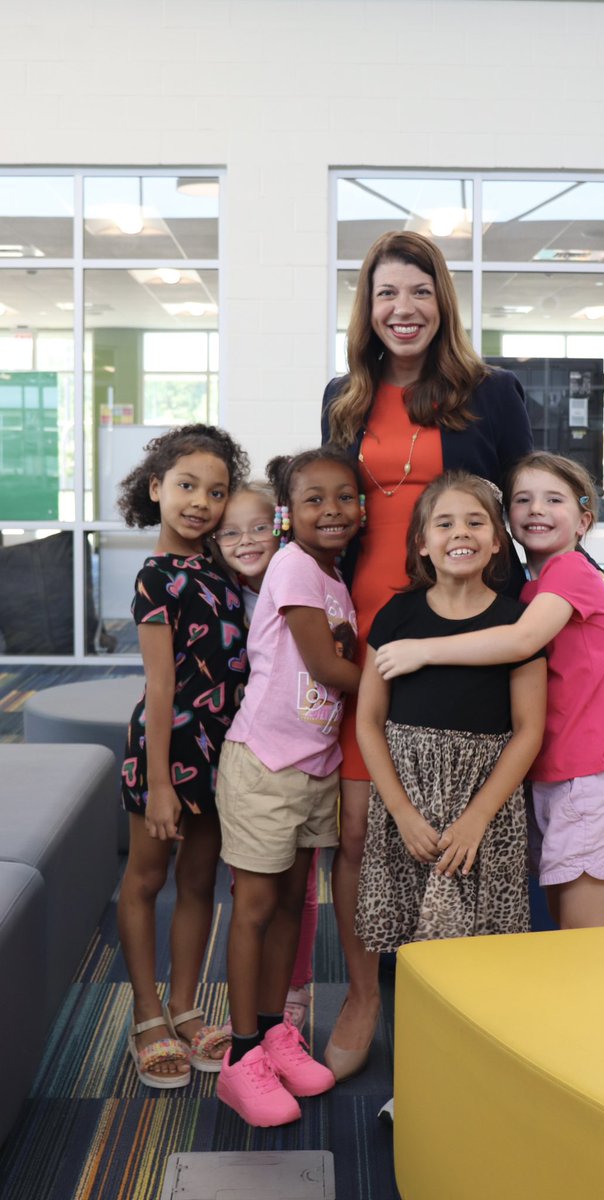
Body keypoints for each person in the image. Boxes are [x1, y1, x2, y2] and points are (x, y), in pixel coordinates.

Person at [321, 229, 532, 1078]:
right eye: (386, 293)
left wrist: (580, 585)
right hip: (365, 629)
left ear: (442, 300)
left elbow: (527, 505)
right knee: (358, 826)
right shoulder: (344, 396)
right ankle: (364, 994)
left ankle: (456, 998)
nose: (402, 309)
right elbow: (325, 509)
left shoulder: (493, 392)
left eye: (418, 291)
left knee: (461, 811)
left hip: (462, 627)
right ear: (367, 308)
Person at [375, 451, 604, 931]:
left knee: (585, 937)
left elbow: (521, 641)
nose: (537, 508)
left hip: (589, 779)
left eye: (554, 499)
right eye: (523, 499)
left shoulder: (570, 573)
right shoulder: (531, 591)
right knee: (564, 927)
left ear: (584, 520)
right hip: (552, 777)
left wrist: (423, 650)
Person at [214, 447, 361, 1128]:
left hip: (315, 769)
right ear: (287, 514)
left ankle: (275, 1032)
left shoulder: (335, 578)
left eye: (345, 497)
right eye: (313, 499)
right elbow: (327, 668)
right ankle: (242, 1056)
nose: (331, 510)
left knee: (289, 911)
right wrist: (413, 680)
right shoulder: (295, 565)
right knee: (255, 908)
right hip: (266, 766)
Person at [356, 471, 546, 946]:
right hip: (409, 801)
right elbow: (368, 721)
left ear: (497, 542)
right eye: (444, 524)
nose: (461, 532)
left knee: (480, 948)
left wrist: (477, 816)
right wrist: (401, 812)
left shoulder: (517, 623)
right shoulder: (396, 616)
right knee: (411, 942)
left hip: (484, 805)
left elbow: (528, 730)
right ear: (422, 544)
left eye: (475, 522)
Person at [117, 423, 250, 1088]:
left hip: (222, 748)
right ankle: (146, 1014)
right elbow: (161, 686)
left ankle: (186, 1007)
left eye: (216, 491)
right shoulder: (155, 577)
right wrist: (161, 784)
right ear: (156, 488)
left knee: (200, 882)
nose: (201, 502)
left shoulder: (225, 569)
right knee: (147, 879)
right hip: (165, 749)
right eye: (187, 486)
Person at [212, 480, 320, 1033]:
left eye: (259, 527)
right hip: (254, 754)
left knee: (300, 892)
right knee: (253, 892)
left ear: (280, 526)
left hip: (310, 752)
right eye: (230, 533)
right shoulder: (225, 599)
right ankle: (248, 1013)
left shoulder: (302, 576)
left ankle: (292, 986)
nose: (247, 541)